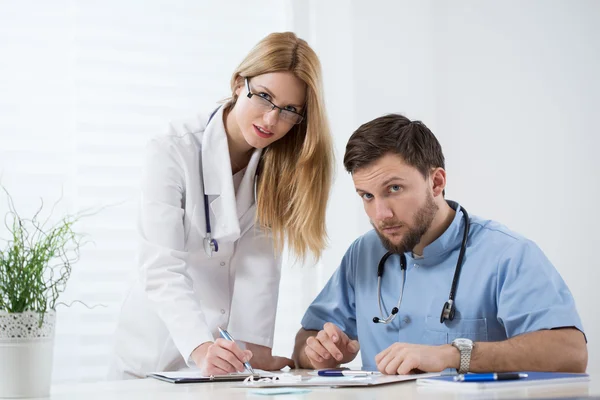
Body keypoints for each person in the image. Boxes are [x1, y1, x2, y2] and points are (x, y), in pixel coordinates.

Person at [109, 32, 333, 379]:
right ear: (237, 84)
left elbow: (259, 268)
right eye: (264, 97)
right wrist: (200, 347)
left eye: (290, 110)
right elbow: (160, 266)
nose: (272, 120)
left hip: (226, 364)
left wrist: (255, 356)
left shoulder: (279, 168)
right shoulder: (172, 149)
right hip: (156, 353)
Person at [292, 114, 587, 375]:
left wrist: (455, 355)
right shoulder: (364, 253)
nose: (380, 214)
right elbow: (305, 342)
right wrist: (319, 353)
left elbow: (569, 352)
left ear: (436, 182)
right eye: (367, 196)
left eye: (394, 189)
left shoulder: (506, 254)